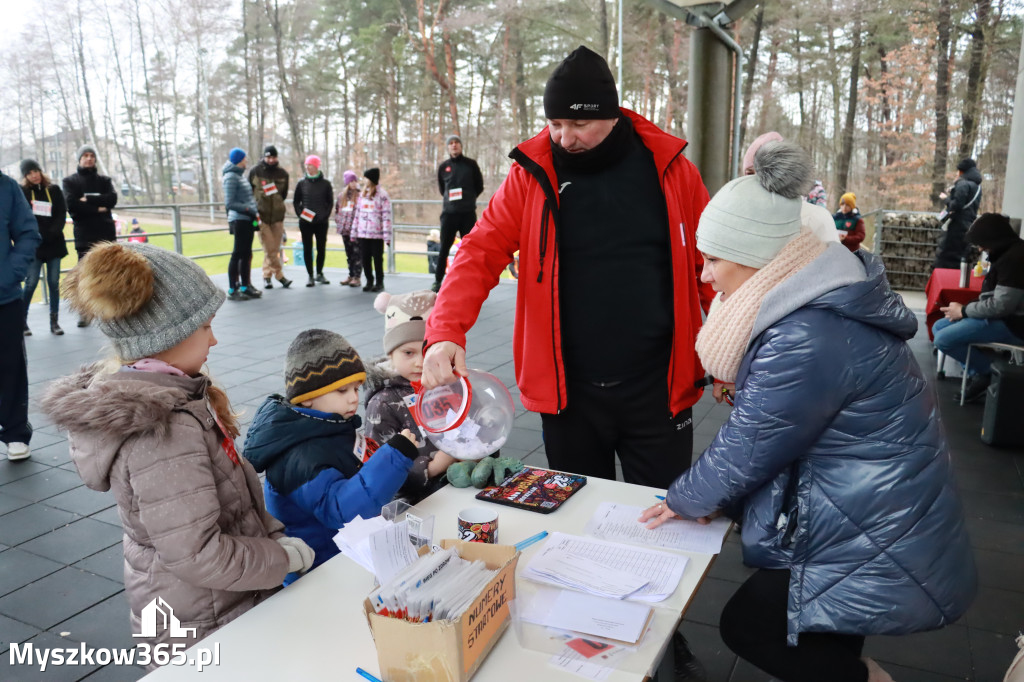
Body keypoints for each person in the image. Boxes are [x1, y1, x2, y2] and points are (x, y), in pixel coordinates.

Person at [640, 141, 976, 682]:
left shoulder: (805, 331)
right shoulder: (815, 297)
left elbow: (753, 442)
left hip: (866, 514)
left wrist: (685, 499)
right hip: (869, 498)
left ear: (757, 257)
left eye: (715, 258)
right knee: (825, 630)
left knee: (750, 626)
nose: (705, 275)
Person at [423, 45, 713, 489]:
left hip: (658, 388)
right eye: (555, 123)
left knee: (665, 516)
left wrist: (738, 350)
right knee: (573, 514)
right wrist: (444, 332)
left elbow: (712, 265)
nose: (564, 137)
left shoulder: (673, 171)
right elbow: (479, 252)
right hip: (567, 394)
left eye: (579, 124)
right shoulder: (530, 174)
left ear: (612, 114)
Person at [40, 242, 314, 662]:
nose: (215, 338)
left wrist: (271, 537)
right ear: (168, 335)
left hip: (210, 606)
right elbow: (197, 553)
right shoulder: (163, 431)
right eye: (206, 326)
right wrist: (280, 558)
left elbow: (227, 504)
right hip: (201, 624)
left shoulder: (177, 402)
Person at [242, 329, 423, 583]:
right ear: (306, 398)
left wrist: (410, 480)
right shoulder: (298, 454)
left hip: (343, 557)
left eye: (356, 389)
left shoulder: (331, 428)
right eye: (341, 391)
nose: (353, 399)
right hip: (316, 572)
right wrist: (394, 457)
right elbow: (341, 511)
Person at [364, 290, 456, 501]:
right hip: (414, 503)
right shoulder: (382, 403)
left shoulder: (448, 385)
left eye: (428, 350)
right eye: (408, 353)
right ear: (390, 353)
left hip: (456, 487)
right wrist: (433, 467)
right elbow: (379, 467)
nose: (420, 362)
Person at [934, 212, 1024, 403]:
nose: (981, 248)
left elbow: (1002, 306)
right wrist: (965, 309)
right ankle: (979, 371)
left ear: (994, 238)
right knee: (939, 327)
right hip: (1003, 317)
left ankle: (987, 373)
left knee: (943, 339)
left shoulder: (1014, 260)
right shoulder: (1008, 252)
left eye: (982, 243)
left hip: (1014, 324)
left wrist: (964, 311)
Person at [1, 169, 41, 461]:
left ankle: (15, 432)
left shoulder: (7, 188)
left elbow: (28, 233)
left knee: (10, 365)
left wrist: (8, 275)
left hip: (4, 297)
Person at [63, 145, 117, 326]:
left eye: (92, 155)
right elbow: (73, 206)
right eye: (85, 156)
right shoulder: (70, 182)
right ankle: (84, 312)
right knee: (84, 274)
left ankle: (110, 309)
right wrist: (100, 208)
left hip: (105, 233)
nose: (89, 158)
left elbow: (112, 200)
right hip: (84, 234)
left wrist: (88, 200)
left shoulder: (104, 180)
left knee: (109, 272)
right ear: (79, 159)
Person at [20, 159, 68, 336]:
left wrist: (52, 233)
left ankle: (54, 322)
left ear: (41, 171)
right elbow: (23, 217)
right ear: (25, 176)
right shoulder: (23, 192)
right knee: (31, 282)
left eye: (36, 171)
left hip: (54, 244)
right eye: (30, 173)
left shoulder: (54, 190)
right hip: (34, 246)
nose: (34, 175)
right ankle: (22, 321)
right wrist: (37, 235)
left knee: (54, 282)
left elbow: (61, 213)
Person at [433, 134, 484, 292]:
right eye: (451, 143)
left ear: (461, 146)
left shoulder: (471, 164)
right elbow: (443, 189)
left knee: (469, 249)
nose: (454, 145)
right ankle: (437, 281)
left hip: (467, 214)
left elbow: (479, 186)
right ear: (448, 147)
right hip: (449, 214)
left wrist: (468, 199)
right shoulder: (443, 167)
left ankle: (471, 281)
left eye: (456, 143)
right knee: (444, 248)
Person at [249, 145, 292, 289]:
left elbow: (283, 194)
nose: (271, 160)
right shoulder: (255, 171)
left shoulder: (283, 174)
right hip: (261, 217)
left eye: (273, 157)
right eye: (268, 157)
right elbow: (250, 191)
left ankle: (266, 276)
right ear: (264, 157)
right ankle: (280, 275)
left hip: (278, 217)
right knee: (269, 248)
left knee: (274, 248)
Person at [222, 147, 262, 300]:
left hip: (247, 219)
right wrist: (247, 209)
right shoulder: (231, 177)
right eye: (244, 158)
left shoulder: (239, 176)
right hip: (239, 220)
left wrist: (252, 212)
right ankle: (233, 288)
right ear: (239, 160)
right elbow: (230, 203)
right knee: (238, 253)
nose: (246, 161)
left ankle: (245, 285)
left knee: (246, 253)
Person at [292, 155, 334, 287]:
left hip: (321, 222)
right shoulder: (301, 183)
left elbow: (330, 202)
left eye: (310, 165)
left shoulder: (326, 184)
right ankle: (310, 275)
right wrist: (301, 215)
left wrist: (324, 216)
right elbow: (296, 201)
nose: (307, 167)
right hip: (306, 223)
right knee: (307, 248)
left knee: (321, 248)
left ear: (316, 166)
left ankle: (319, 273)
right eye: (306, 165)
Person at [934, 158, 983, 269]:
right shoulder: (977, 187)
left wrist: (946, 199)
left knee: (948, 255)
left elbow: (956, 205)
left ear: (961, 171)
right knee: (961, 255)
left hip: (957, 225)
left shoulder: (963, 184)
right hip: (968, 225)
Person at [352, 167, 391, 293]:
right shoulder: (362, 195)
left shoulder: (382, 195)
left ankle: (379, 282)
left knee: (377, 259)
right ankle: (369, 280)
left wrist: (387, 235)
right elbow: (357, 214)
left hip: (377, 234)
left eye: (367, 178)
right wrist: (354, 231)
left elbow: (386, 216)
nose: (364, 180)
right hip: (363, 233)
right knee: (365, 258)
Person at [334, 169, 362, 287]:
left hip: (355, 230)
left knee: (357, 253)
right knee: (349, 254)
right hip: (344, 229)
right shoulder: (342, 197)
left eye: (355, 181)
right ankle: (350, 275)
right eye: (351, 181)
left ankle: (357, 276)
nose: (353, 183)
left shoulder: (360, 196)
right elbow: (337, 210)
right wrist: (339, 222)